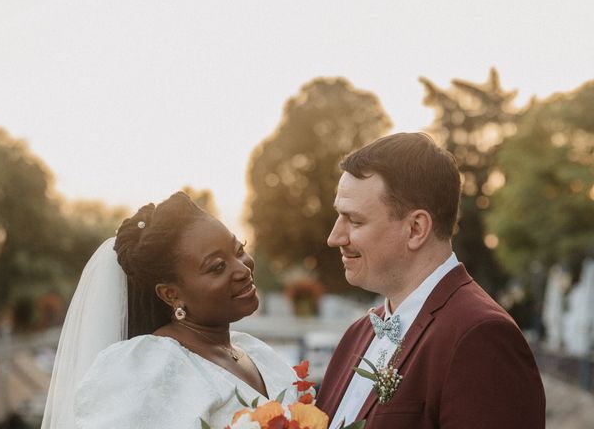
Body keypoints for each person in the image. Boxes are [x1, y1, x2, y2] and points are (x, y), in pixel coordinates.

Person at [316, 133, 545, 428]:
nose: (334, 238)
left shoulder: (480, 337)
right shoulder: (357, 335)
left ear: (416, 228)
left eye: (355, 221)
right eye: (339, 217)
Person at [42, 192, 299, 428]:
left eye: (239, 250)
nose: (243, 270)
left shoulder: (258, 354)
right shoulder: (149, 372)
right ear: (171, 294)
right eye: (217, 267)